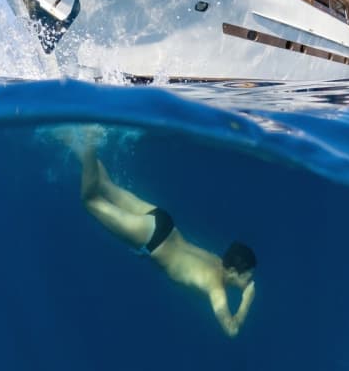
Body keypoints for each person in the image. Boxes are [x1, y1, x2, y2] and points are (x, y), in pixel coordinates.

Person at [77, 139, 257, 337]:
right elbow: (231, 330)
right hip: (152, 238)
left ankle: (72, 138)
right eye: (247, 276)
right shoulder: (216, 288)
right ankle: (89, 140)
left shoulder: (218, 260)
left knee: (105, 184)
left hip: (165, 223)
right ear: (233, 271)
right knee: (90, 200)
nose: (250, 281)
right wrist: (246, 301)